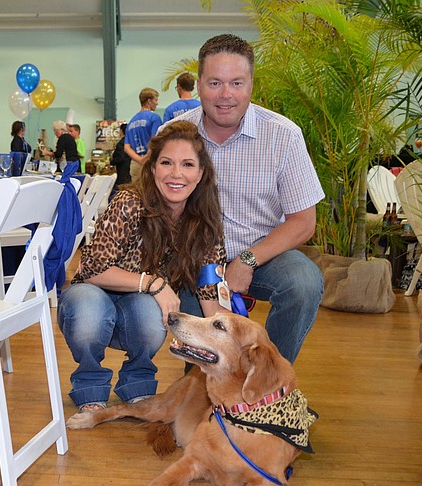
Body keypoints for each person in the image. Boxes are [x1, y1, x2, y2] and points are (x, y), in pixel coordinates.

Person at [165, 33, 325, 364]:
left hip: (263, 254)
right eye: (214, 83)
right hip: (192, 259)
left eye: (236, 83)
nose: (226, 95)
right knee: (203, 374)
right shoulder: (173, 135)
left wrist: (248, 260)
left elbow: (303, 222)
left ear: (251, 84)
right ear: (198, 85)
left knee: (304, 283)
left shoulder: (283, 136)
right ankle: (212, 391)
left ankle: (269, 382)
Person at [57, 120, 227, 411]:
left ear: (201, 174)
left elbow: (209, 288)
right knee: (89, 310)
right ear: (152, 168)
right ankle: (89, 386)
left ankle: (137, 384)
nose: (176, 174)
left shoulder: (206, 219)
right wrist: (154, 283)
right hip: (92, 290)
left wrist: (223, 337)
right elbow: (93, 268)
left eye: (187, 165)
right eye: (166, 163)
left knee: (154, 317)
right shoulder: (129, 201)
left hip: (137, 305)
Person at [124, 88, 162, 181]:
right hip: (150, 162)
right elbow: (155, 141)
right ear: (149, 101)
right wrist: (146, 158)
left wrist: (139, 159)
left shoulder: (132, 121)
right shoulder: (154, 118)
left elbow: (126, 147)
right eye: (155, 100)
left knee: (136, 193)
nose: (157, 103)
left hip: (135, 163)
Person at [109, 122, 131, 199]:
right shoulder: (132, 142)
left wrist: (111, 162)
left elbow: (119, 157)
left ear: (121, 131)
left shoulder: (121, 143)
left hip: (122, 170)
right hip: (130, 170)